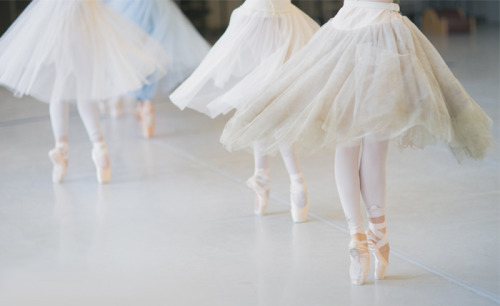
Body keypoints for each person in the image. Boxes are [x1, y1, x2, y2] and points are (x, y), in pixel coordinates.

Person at [221, 0, 493, 284]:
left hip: (345, 31)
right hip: (385, 31)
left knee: (347, 142)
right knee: (375, 149)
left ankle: (357, 237)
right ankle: (378, 232)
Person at [170, 0, 319, 222]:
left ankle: (274, 179)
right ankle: (286, 181)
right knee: (268, 103)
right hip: (284, 19)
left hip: (259, 19)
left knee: (259, 103)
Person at [0, 0, 167, 183]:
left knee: (60, 90)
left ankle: (62, 148)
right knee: (83, 90)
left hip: (59, 14)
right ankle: (99, 149)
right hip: (84, 15)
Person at [102, 0, 210, 138]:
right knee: (152, 53)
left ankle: (129, 101)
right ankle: (146, 104)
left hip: (126, 5)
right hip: (155, 6)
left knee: (131, 53)